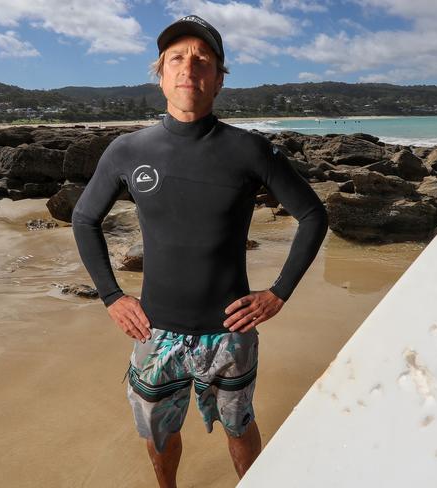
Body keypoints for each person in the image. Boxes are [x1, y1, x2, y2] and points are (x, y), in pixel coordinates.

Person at [71, 14, 329, 487]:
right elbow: (84, 219)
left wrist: (278, 293)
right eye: (177, 58)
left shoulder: (250, 149)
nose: (189, 67)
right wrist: (111, 296)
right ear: (161, 75)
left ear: (219, 80)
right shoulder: (127, 151)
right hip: (155, 332)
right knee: (160, 434)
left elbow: (314, 215)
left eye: (202, 60)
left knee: (240, 425)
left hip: (230, 332)